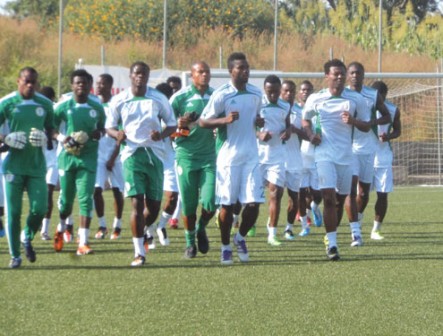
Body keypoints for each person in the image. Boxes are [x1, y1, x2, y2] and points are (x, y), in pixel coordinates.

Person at [106, 61, 176, 267]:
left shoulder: (158, 98)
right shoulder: (120, 100)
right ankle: (139, 252)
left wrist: (160, 134)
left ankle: (145, 230)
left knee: (153, 207)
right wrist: (116, 134)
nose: (140, 77)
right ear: (130, 75)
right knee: (136, 202)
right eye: (136, 73)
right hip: (131, 155)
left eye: (143, 74)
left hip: (154, 155)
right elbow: (109, 126)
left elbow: (171, 124)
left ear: (147, 76)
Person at [302, 59, 371, 261]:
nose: (341, 77)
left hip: (346, 157)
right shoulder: (316, 99)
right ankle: (332, 244)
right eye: (336, 74)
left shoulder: (355, 99)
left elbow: (366, 126)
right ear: (327, 76)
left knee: (341, 200)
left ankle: (330, 235)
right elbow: (305, 119)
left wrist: (353, 121)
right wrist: (310, 134)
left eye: (343, 74)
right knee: (329, 198)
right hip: (324, 155)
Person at [199, 52, 265, 265]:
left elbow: (255, 118)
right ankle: (226, 246)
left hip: (252, 156)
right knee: (227, 205)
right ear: (231, 71)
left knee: (253, 204)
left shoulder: (256, 93)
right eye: (240, 68)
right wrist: (224, 120)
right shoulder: (222, 94)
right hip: (228, 157)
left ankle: (240, 238)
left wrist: (259, 121)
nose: (245, 72)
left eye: (247, 68)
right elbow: (203, 122)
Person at [0, 67, 55, 268]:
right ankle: (15, 256)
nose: (30, 85)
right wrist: (6, 138)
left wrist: (47, 137)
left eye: (34, 82)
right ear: (18, 81)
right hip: (12, 167)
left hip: (36, 166)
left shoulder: (45, 104)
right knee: (13, 213)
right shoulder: (6, 103)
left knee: (40, 208)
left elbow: (52, 129)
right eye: (26, 81)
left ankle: (27, 235)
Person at [53, 69, 106, 256]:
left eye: (84, 82)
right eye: (77, 83)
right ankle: (61, 228)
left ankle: (83, 241)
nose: (81, 85)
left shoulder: (96, 107)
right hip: (67, 158)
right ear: (72, 86)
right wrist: (62, 137)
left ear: (90, 85)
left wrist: (96, 134)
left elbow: (102, 129)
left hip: (88, 158)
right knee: (66, 201)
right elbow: (50, 126)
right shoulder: (64, 106)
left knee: (85, 198)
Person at [170, 61, 216, 258]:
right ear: (192, 75)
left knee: (210, 202)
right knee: (188, 204)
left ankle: (201, 228)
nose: (204, 75)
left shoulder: (216, 96)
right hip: (186, 157)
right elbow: (169, 131)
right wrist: (181, 125)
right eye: (200, 72)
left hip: (209, 156)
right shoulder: (179, 98)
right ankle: (190, 243)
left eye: (207, 71)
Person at [345, 62, 391, 246]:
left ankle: (358, 219)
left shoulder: (372, 95)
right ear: (348, 75)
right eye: (352, 73)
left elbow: (386, 116)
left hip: (368, 148)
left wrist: (373, 121)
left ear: (364, 75)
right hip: (348, 148)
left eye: (359, 72)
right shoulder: (342, 94)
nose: (355, 75)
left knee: (363, 194)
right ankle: (355, 232)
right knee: (351, 188)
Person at [257, 75, 291, 246]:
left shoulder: (285, 105)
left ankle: (272, 233)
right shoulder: (257, 103)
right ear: (265, 90)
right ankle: (240, 221)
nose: (273, 95)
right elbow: (247, 124)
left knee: (276, 193)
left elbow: (288, 124)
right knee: (252, 199)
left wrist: (288, 131)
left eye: (276, 92)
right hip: (257, 155)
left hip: (277, 155)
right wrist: (259, 133)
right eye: (270, 92)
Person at [93, 73, 125, 240]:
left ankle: (117, 226)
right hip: (98, 155)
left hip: (116, 155)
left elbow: (121, 133)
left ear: (110, 85)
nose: (99, 86)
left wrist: (114, 155)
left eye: (103, 83)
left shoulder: (116, 104)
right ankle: (102, 225)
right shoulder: (93, 104)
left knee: (117, 191)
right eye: (97, 83)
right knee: (96, 190)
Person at [371, 80, 401, 240]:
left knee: (382, 195)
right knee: (360, 195)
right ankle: (356, 226)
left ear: (385, 95)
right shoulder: (365, 108)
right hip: (365, 156)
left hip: (383, 158)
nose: (378, 101)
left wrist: (388, 136)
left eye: (380, 97)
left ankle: (376, 229)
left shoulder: (393, 110)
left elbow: (398, 130)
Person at [279, 80, 310, 239]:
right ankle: (271, 228)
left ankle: (288, 228)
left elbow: (308, 135)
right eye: (286, 91)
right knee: (273, 196)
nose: (289, 94)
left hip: (294, 160)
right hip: (274, 159)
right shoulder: (273, 109)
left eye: (292, 91)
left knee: (295, 198)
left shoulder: (300, 111)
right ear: (280, 92)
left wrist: (295, 130)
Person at [297, 80, 323, 231]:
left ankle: (314, 207)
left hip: (317, 155)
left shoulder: (317, 109)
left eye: (308, 89)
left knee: (317, 193)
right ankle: (303, 224)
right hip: (300, 156)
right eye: (303, 89)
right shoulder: (294, 109)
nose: (305, 92)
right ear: (299, 93)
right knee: (300, 192)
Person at [38, 86, 58, 241]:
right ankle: (37, 218)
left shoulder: (56, 111)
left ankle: (45, 229)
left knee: (49, 191)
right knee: (38, 193)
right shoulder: (35, 112)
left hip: (53, 157)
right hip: (37, 157)